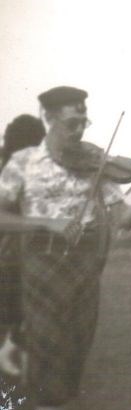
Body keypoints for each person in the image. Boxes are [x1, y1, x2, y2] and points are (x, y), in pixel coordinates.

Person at [0, 86, 131, 410]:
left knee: (74, 350)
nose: (80, 130)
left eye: (84, 120)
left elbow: (124, 220)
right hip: (42, 264)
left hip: (86, 268)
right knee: (49, 350)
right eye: (72, 122)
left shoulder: (94, 162)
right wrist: (46, 223)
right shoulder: (23, 162)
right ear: (48, 119)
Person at [0, 114, 46, 377]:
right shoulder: (32, 169)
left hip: (8, 252)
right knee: (29, 314)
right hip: (24, 252)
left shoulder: (8, 165)